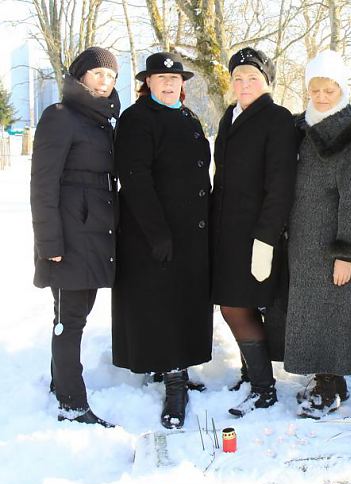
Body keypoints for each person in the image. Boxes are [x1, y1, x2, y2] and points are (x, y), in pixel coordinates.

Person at [112, 52, 213, 429]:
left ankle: (177, 366)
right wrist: (157, 233)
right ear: (148, 83)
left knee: (184, 301)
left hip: (190, 232)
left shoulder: (186, 116)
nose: (169, 84)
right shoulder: (138, 119)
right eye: (160, 79)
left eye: (175, 79)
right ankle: (173, 382)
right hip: (154, 232)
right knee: (161, 303)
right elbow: (135, 178)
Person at [30, 47, 120, 427]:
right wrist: (49, 245)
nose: (106, 81)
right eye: (99, 73)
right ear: (81, 76)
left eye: (112, 76)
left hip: (95, 234)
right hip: (69, 237)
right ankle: (71, 402)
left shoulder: (101, 121)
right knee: (70, 317)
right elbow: (43, 185)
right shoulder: (60, 117)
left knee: (74, 313)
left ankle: (59, 381)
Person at [284, 50, 351, 419]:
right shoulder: (300, 125)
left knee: (333, 308)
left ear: (343, 89)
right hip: (303, 238)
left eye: (329, 89)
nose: (321, 96)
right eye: (315, 89)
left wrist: (347, 253)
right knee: (312, 308)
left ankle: (329, 380)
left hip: (332, 238)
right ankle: (328, 376)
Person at [211, 48, 297, 417]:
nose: (244, 84)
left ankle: (264, 389)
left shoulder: (277, 119)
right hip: (225, 233)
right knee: (235, 303)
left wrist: (266, 237)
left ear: (267, 82)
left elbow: (281, 185)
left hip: (256, 235)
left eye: (253, 78)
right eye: (238, 78)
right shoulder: (229, 118)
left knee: (236, 305)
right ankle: (252, 374)